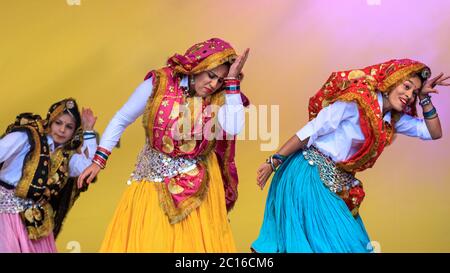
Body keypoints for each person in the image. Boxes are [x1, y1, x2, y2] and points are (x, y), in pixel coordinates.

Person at [252, 59, 449, 253]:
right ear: (390, 82)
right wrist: (274, 161)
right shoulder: (357, 101)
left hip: (338, 185)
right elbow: (311, 131)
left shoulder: (392, 120)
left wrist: (425, 99)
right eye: (406, 87)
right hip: (308, 175)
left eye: (414, 93)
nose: (409, 96)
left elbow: (433, 132)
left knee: (351, 245)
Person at [78, 38, 250, 252]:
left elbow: (234, 128)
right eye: (211, 75)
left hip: (200, 182)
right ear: (198, 67)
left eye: (220, 80)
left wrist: (232, 82)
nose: (213, 84)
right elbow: (121, 119)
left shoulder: (221, 96)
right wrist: (98, 161)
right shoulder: (160, 83)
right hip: (153, 175)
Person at [0, 98, 98, 252]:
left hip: (34, 220)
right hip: (4, 212)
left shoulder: (65, 158)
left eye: (69, 126)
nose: (62, 130)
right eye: (58, 123)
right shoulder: (28, 137)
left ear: (74, 131)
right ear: (50, 121)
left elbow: (89, 169)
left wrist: (89, 131)